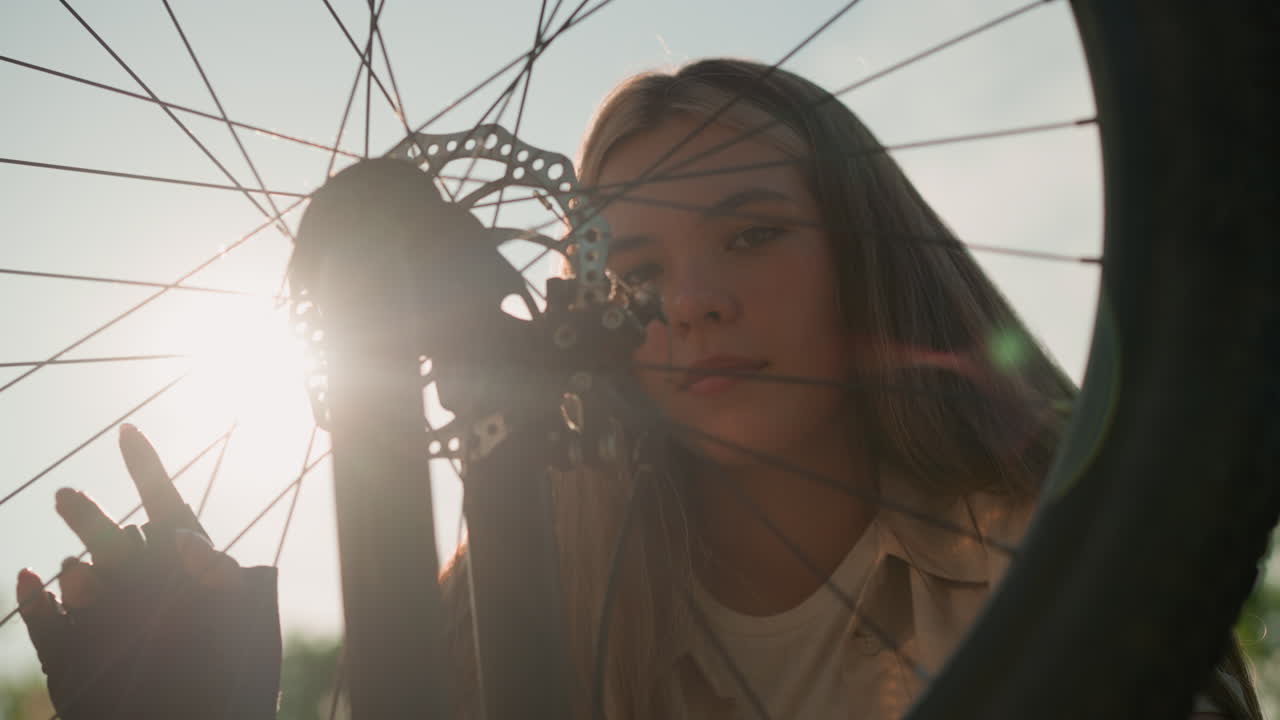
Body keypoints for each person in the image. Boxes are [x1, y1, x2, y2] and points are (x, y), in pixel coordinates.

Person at [17, 59, 1262, 720]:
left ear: (867, 256)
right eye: (636, 269)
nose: (691, 302)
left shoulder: (1062, 552)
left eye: (751, 235)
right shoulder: (498, 613)